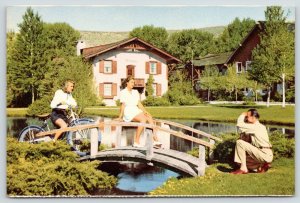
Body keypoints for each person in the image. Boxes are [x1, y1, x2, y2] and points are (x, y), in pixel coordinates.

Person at [116, 76, 161, 148]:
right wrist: (120, 117)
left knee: (149, 116)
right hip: (128, 111)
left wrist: (145, 111)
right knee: (143, 119)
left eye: (133, 82)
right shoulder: (123, 92)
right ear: (127, 83)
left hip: (136, 109)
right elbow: (123, 105)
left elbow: (139, 104)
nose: (133, 84)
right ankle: (136, 141)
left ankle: (155, 139)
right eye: (131, 82)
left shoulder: (135, 92)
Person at [231, 108, 273, 174]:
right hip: (265, 154)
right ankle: (262, 165)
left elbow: (239, 125)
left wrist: (242, 115)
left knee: (239, 142)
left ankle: (244, 169)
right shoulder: (261, 126)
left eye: (247, 116)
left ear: (253, 117)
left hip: (264, 154)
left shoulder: (255, 127)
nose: (246, 118)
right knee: (240, 162)